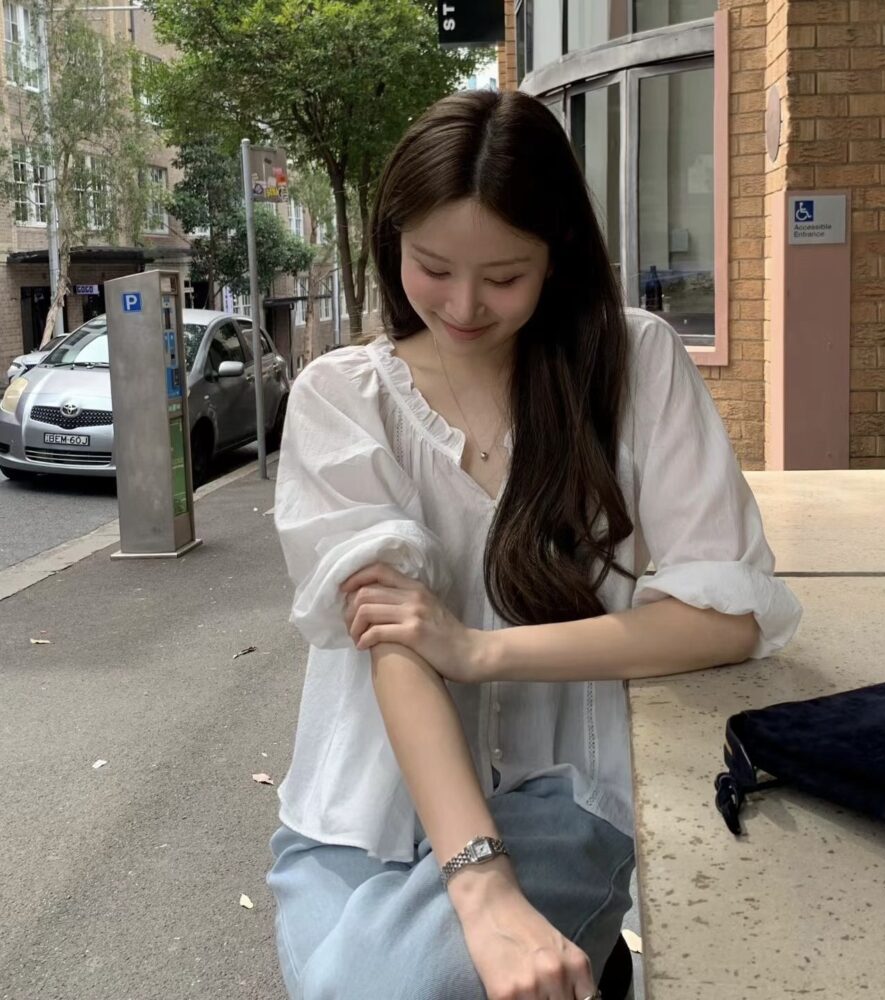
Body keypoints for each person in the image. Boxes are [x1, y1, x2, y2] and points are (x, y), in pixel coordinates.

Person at [266, 89, 802, 1000]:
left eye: (504, 276)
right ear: (393, 240)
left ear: (557, 253)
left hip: (567, 790)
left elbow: (726, 618)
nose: (464, 305)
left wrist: (480, 651)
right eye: (433, 267)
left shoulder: (633, 366)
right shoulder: (342, 397)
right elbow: (393, 642)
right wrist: (481, 887)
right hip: (360, 809)